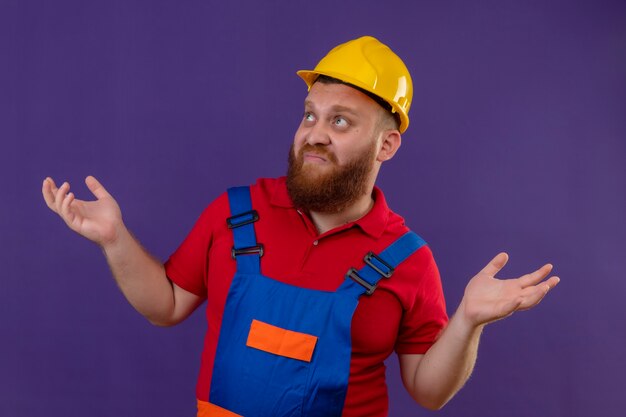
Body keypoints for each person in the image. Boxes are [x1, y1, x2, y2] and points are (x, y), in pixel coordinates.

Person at [42, 36, 560, 417]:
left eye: (340, 121)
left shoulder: (407, 259)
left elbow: (428, 391)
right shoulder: (234, 212)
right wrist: (115, 239)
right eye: (310, 115)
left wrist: (468, 321)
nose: (314, 134)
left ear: (386, 145)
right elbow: (168, 304)